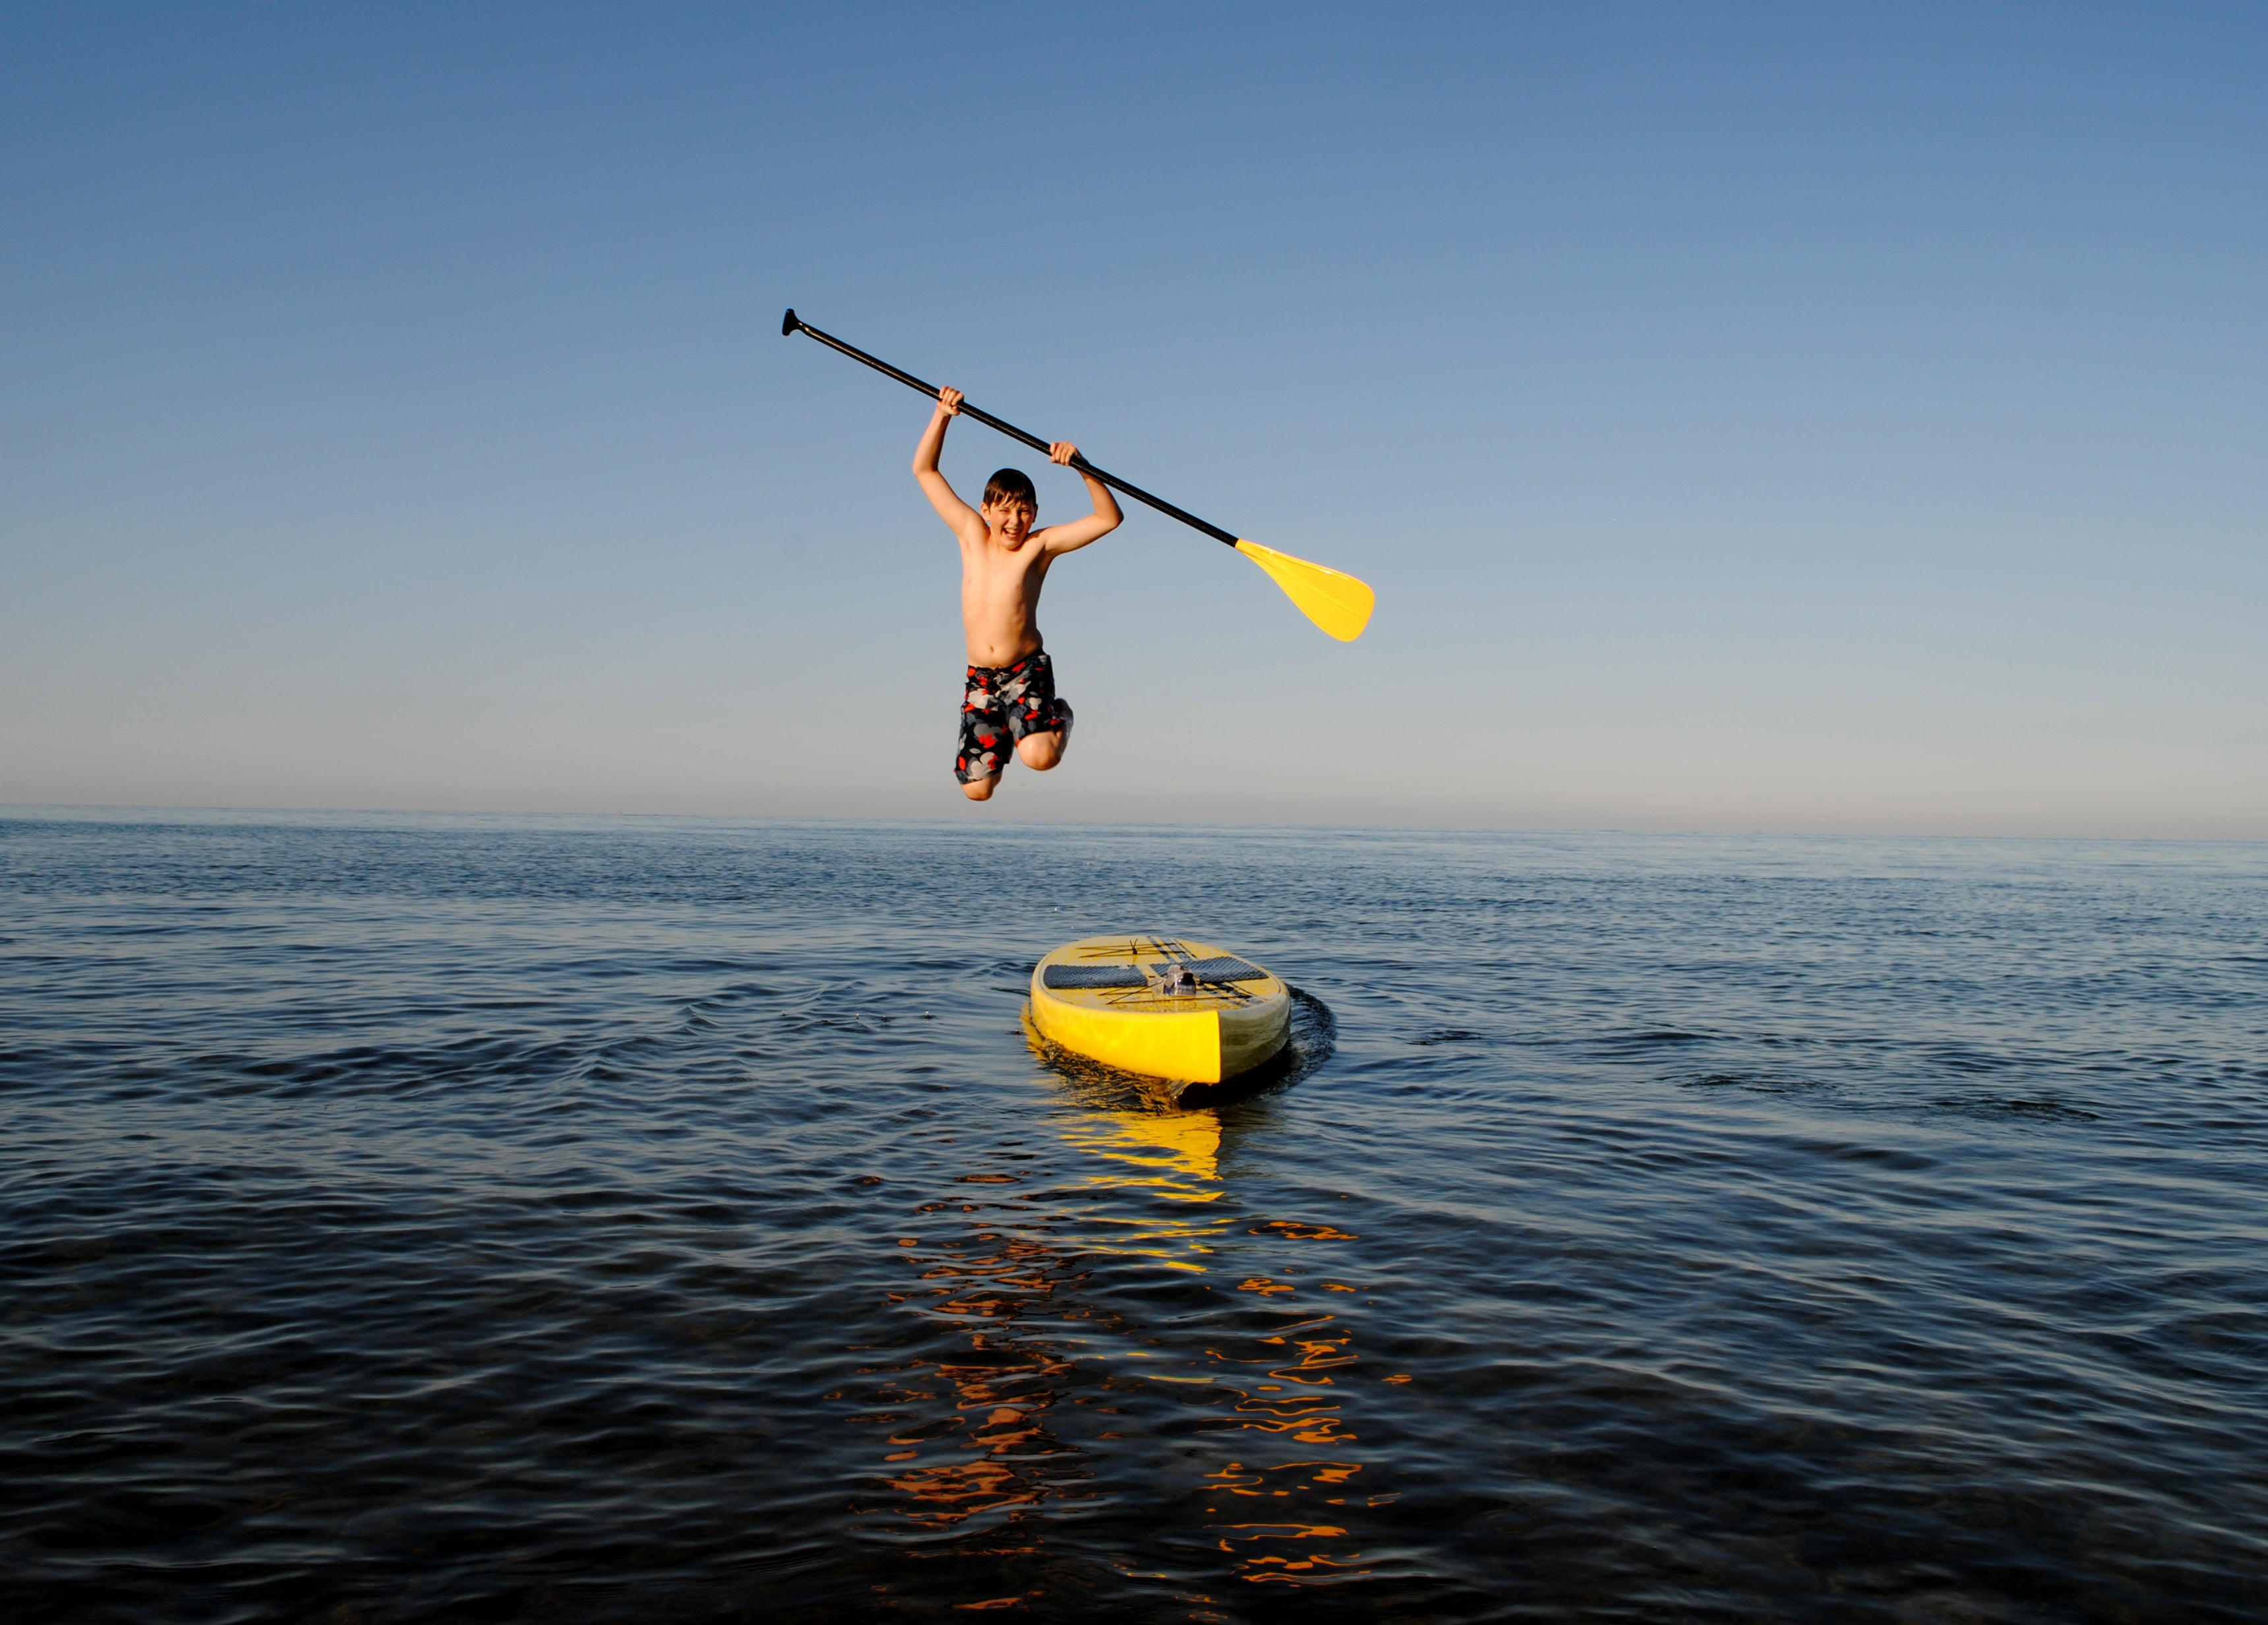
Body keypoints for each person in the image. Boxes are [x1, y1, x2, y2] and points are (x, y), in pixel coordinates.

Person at [913, 387, 1121, 801]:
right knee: (977, 791)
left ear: (1036, 514)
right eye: (1005, 510)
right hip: (980, 680)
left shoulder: (1039, 547)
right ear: (986, 510)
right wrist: (942, 416)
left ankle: (1059, 716)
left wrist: (1083, 468)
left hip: (1026, 673)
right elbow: (926, 472)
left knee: (1041, 759)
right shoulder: (972, 534)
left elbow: (1108, 518)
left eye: (1024, 511)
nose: (1014, 521)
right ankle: (1010, 732)